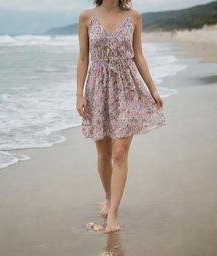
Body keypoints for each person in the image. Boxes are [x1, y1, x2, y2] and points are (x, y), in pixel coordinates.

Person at [76, 0, 167, 234]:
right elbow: (83, 59)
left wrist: (153, 89)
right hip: (97, 89)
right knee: (103, 154)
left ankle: (113, 212)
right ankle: (108, 197)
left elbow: (139, 56)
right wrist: (79, 94)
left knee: (119, 153)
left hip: (127, 87)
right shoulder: (86, 17)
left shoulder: (134, 16)